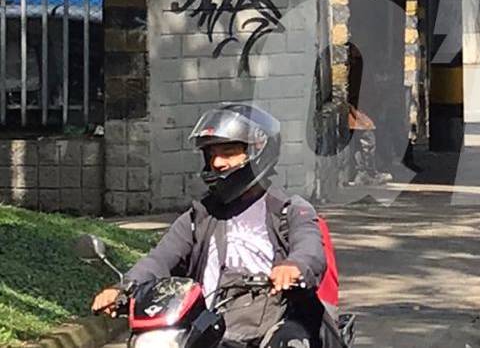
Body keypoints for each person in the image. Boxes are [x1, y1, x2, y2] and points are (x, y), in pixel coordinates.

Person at [91, 104, 329, 348]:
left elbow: (309, 247)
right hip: (208, 325)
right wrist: (123, 287)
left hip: (276, 323)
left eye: (228, 152)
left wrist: (294, 266)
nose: (217, 163)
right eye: (211, 154)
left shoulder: (289, 209)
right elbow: (161, 258)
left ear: (259, 152)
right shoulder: (201, 215)